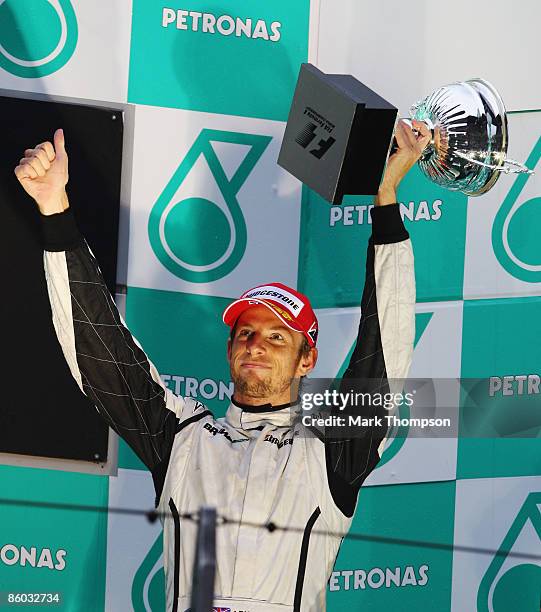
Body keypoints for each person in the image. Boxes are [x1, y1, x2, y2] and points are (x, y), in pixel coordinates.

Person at [14, 120, 430, 612]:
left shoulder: (331, 448)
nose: (257, 345)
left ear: (307, 360)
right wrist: (54, 210)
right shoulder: (182, 437)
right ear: (230, 349)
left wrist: (385, 197)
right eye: (247, 333)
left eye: (278, 337)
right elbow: (100, 350)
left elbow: (385, 343)